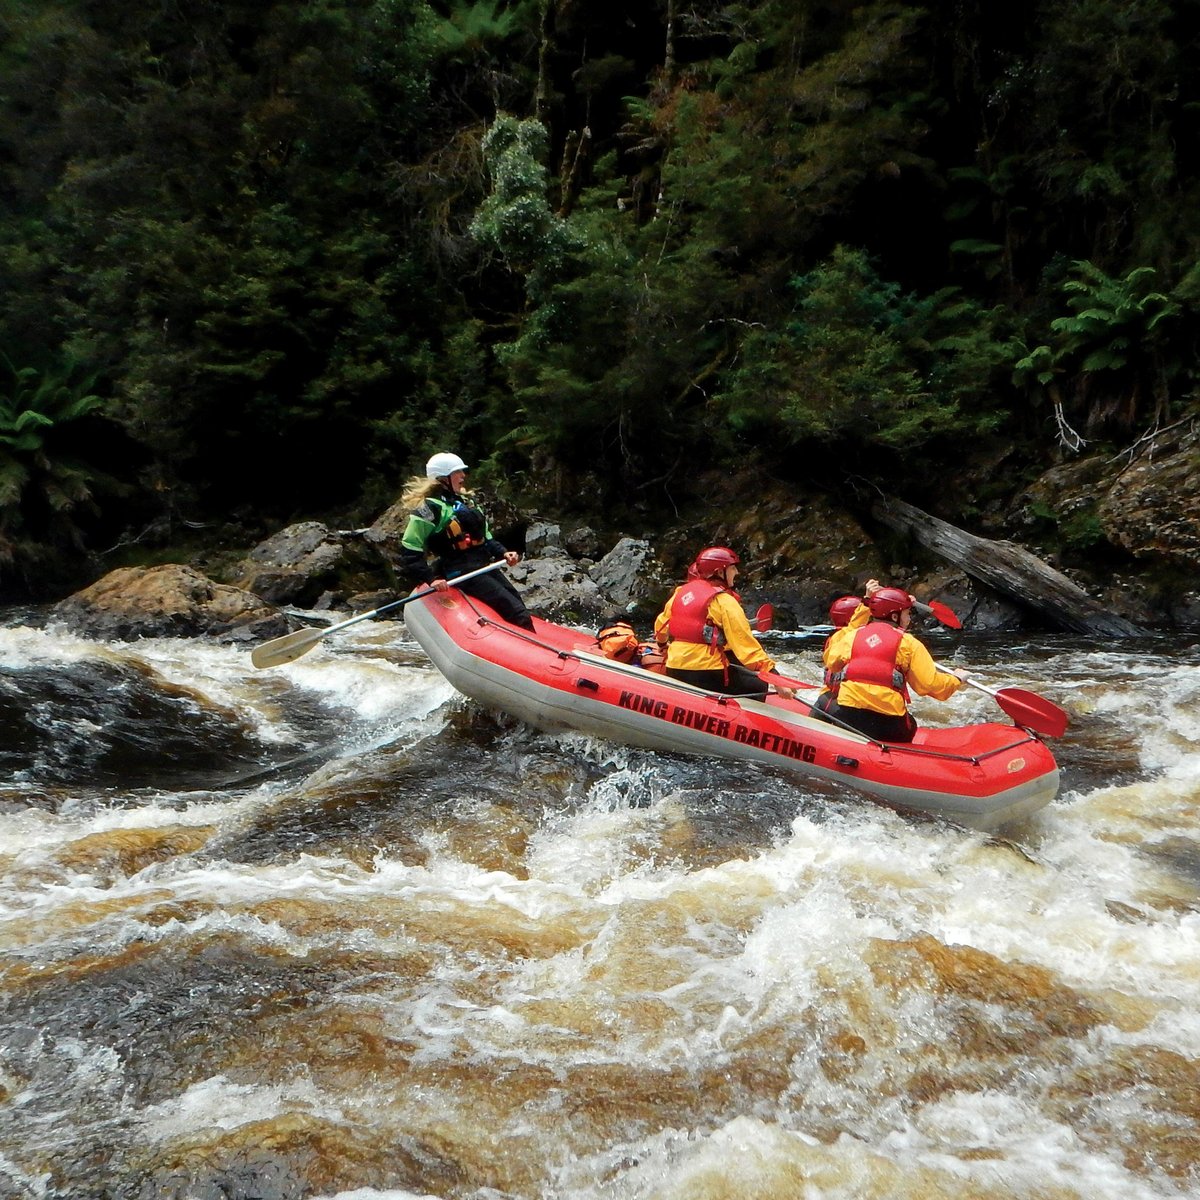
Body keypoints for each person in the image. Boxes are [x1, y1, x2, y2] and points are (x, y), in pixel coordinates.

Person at [397, 452, 535, 631]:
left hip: (483, 567)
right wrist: (431, 579)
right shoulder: (429, 509)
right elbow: (410, 549)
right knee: (518, 615)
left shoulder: (467, 502)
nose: (463, 476)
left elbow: (485, 538)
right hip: (461, 573)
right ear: (443, 478)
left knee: (518, 606)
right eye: (457, 472)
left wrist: (503, 552)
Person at [817, 585, 968, 742]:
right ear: (895, 617)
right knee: (912, 723)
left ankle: (815, 734)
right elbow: (929, 686)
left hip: (849, 718)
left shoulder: (852, 636)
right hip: (890, 727)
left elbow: (831, 663)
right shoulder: (910, 643)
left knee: (824, 700)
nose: (909, 619)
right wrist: (956, 679)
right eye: (907, 613)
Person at [653, 546, 794, 700]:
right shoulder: (725, 601)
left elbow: (661, 627)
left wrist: (662, 646)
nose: (737, 573)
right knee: (757, 684)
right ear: (720, 572)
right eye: (733, 568)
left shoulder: (681, 593)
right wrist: (775, 678)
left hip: (674, 668)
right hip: (705, 674)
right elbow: (747, 648)